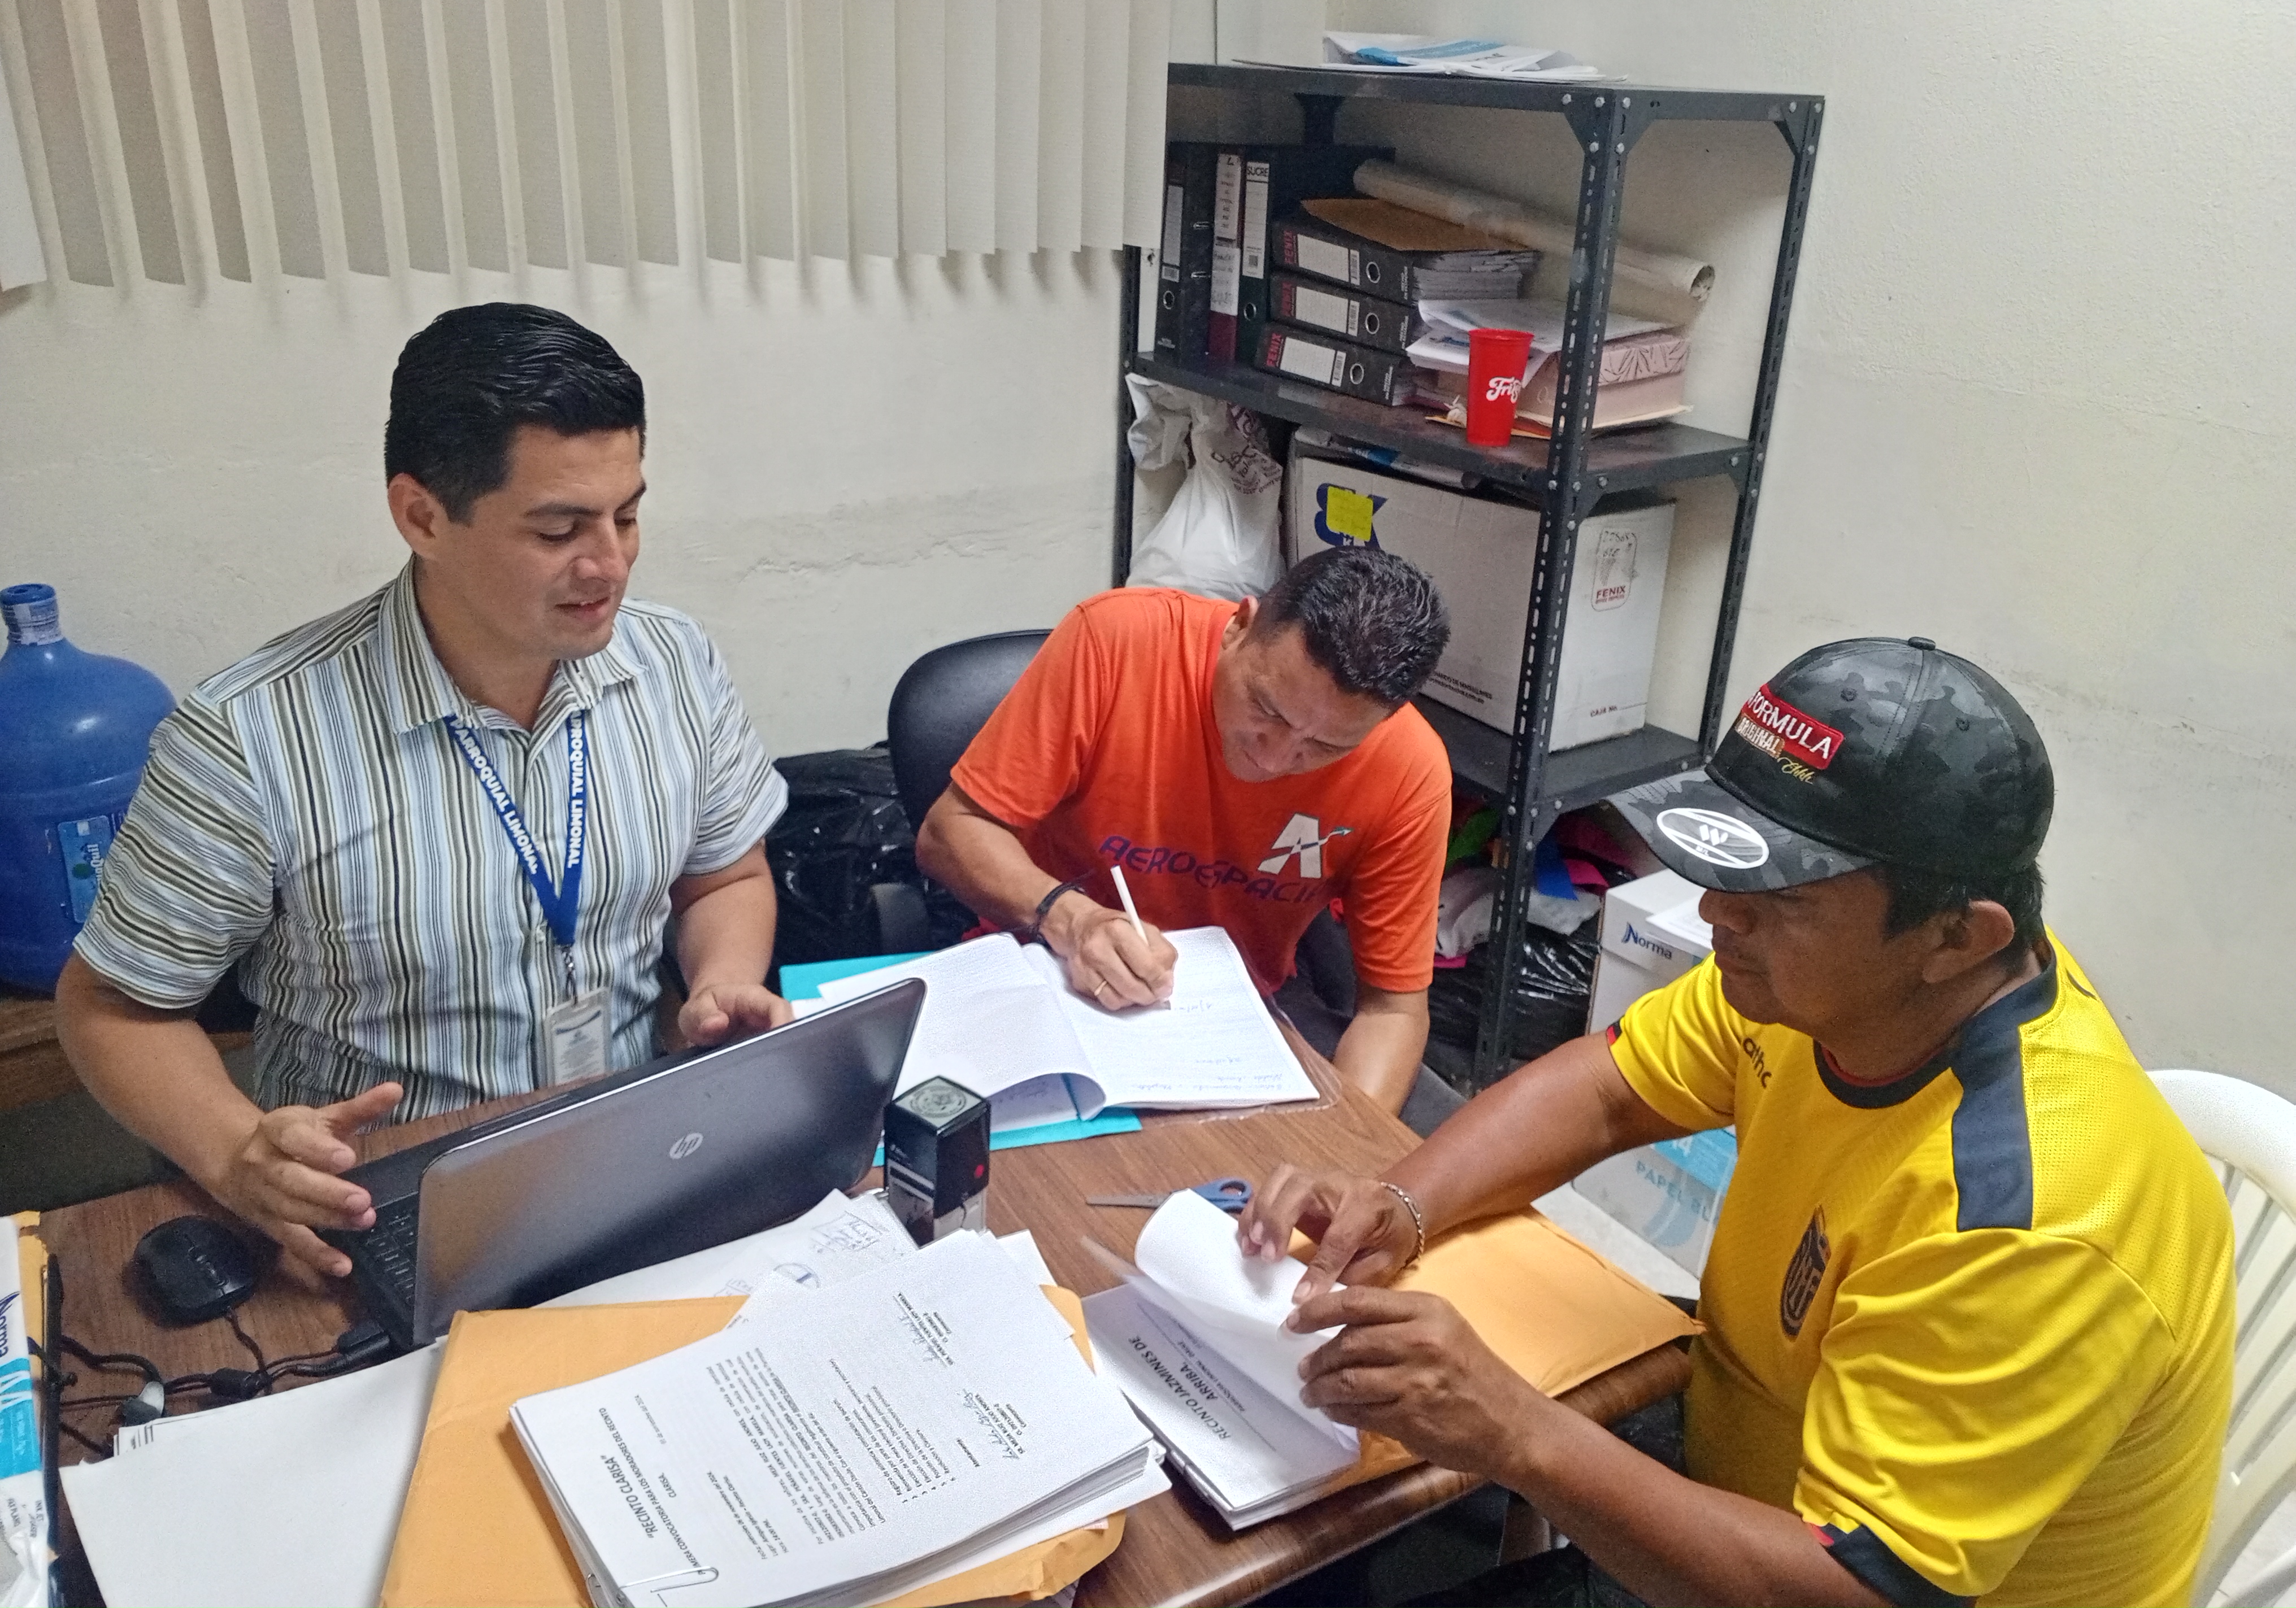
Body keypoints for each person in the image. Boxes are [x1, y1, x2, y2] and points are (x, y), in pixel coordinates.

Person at [1240, 637, 2234, 1608]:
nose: (1718, 912)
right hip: (1747, 1441)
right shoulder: (1846, 989)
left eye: (1781, 896)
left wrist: (1514, 1431)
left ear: (1956, 936)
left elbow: (1855, 1587)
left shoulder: (2025, 1228)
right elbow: (1611, 1089)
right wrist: (1402, 1202)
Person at [57, 304, 793, 1278]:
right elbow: (109, 1006)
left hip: (637, 1152)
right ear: (422, 516)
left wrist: (721, 980)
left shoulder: (672, 662)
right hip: (387, 1197)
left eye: (626, 516)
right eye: (559, 529)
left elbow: (726, 875)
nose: (610, 564)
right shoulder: (251, 735)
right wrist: (238, 1154)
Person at [915, 549, 1452, 1115]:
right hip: (1045, 970)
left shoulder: (1408, 771)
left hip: (1235, 1027)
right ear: (1239, 627)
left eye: (1324, 746)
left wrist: (1344, 1144)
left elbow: (1391, 1011)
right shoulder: (1116, 643)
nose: (1274, 758)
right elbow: (949, 832)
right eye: (1267, 709)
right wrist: (1072, 920)